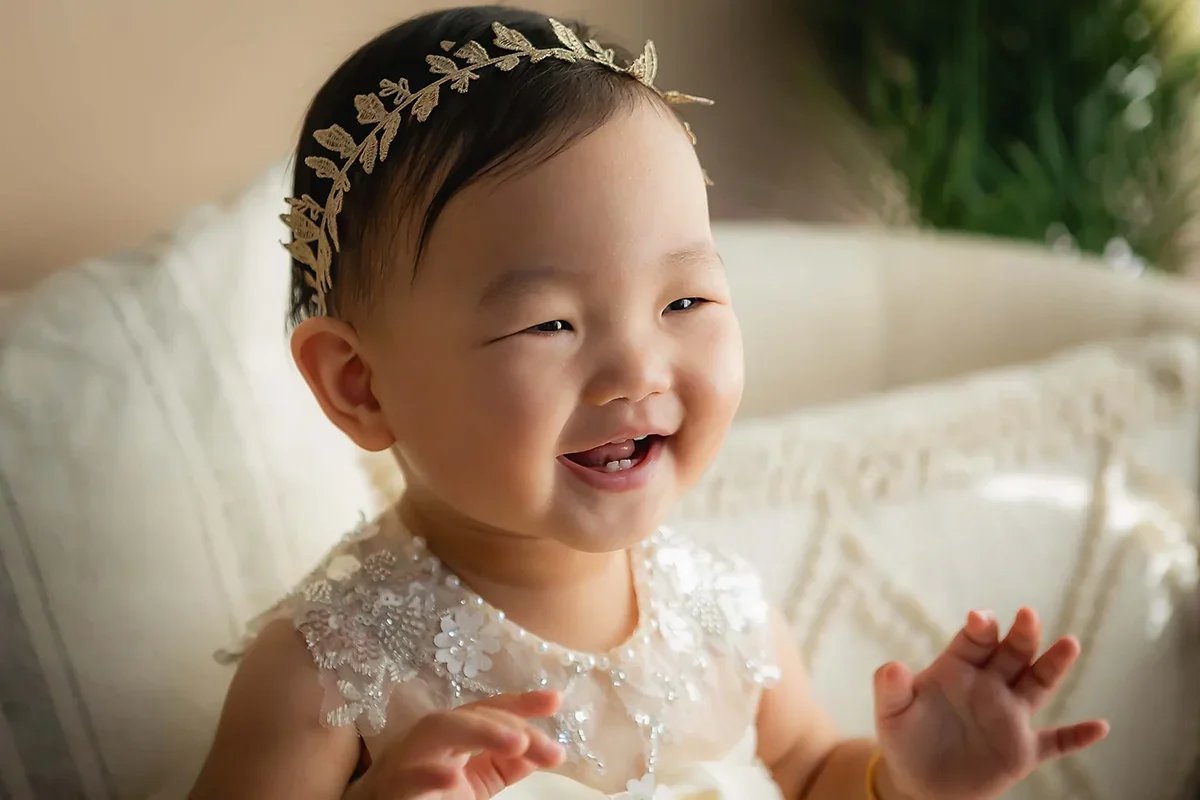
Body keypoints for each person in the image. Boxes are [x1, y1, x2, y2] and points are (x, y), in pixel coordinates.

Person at [190, 6, 1109, 798]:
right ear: (360, 384)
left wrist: (899, 780)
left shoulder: (721, 614)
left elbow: (809, 766)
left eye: (685, 302)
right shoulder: (331, 675)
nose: (636, 371)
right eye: (549, 324)